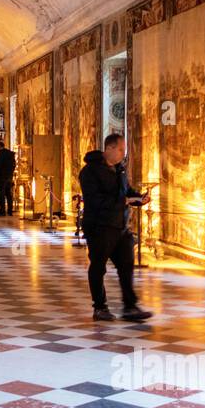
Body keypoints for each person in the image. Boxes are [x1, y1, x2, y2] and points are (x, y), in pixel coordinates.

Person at [79, 134, 151, 321]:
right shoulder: (89, 172)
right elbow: (95, 200)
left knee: (127, 266)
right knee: (98, 267)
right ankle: (100, 307)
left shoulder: (120, 169)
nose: (123, 153)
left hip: (121, 226)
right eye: (120, 149)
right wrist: (124, 201)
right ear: (109, 149)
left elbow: (126, 191)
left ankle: (130, 306)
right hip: (99, 226)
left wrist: (139, 198)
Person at [0, 139, 16, 215]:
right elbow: (13, 165)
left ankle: (2, 211)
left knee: (1, 193)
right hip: (9, 176)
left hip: (1, 177)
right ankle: (10, 210)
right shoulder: (10, 154)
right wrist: (10, 174)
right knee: (9, 194)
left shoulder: (1, 154)